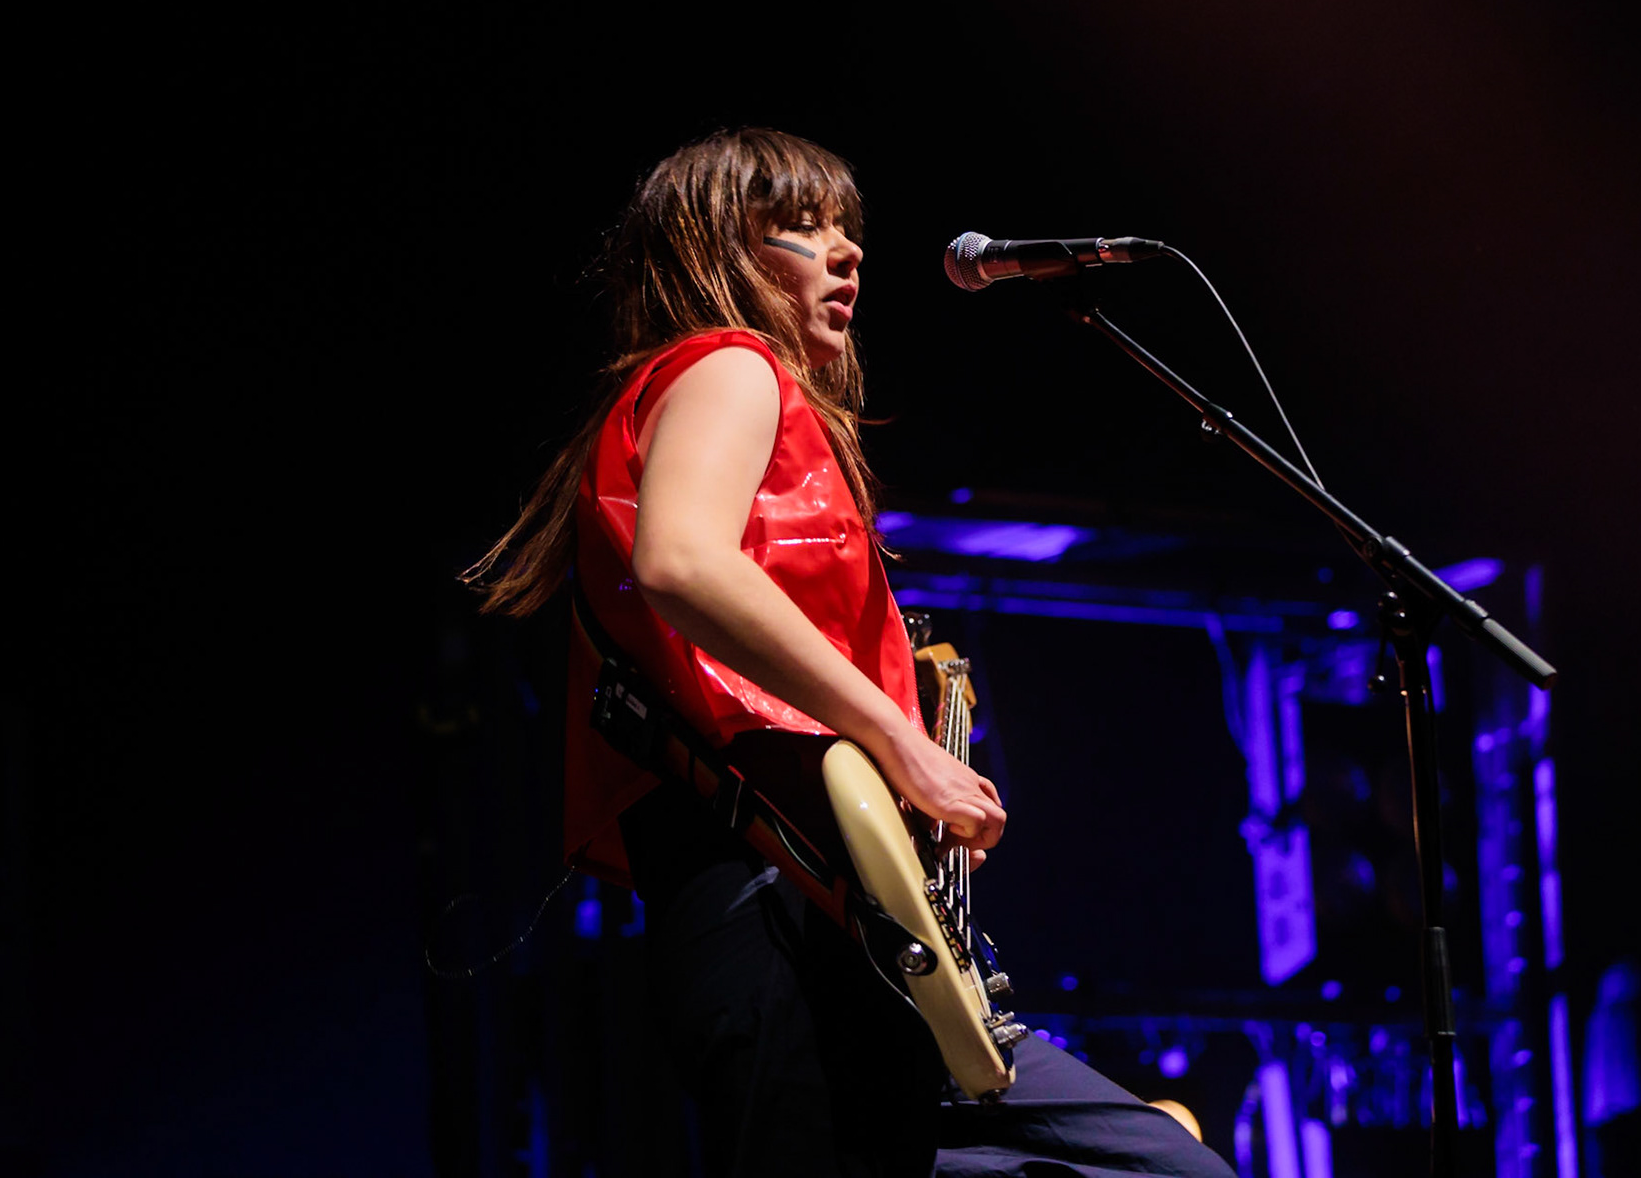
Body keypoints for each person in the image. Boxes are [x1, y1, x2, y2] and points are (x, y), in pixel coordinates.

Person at [468, 127, 1234, 1178]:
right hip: (769, 901)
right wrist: (904, 748)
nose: (848, 251)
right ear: (716, 249)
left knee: (1159, 1159)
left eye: (847, 229)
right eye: (801, 226)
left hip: (826, 918)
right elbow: (682, 559)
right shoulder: (731, 367)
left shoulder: (733, 397)